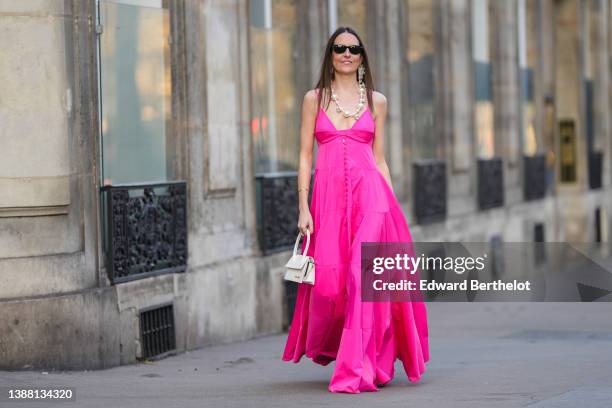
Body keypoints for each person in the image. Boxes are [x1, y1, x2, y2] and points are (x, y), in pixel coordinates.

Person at [281, 26, 430, 394]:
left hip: (372, 200)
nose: (347, 54)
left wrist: (393, 208)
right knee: (331, 287)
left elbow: (379, 160)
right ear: (330, 55)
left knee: (363, 280)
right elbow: (303, 156)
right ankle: (357, 356)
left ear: (362, 56)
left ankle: (359, 368)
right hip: (328, 201)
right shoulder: (313, 99)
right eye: (339, 48)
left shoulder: (377, 101)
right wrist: (303, 207)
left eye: (354, 48)